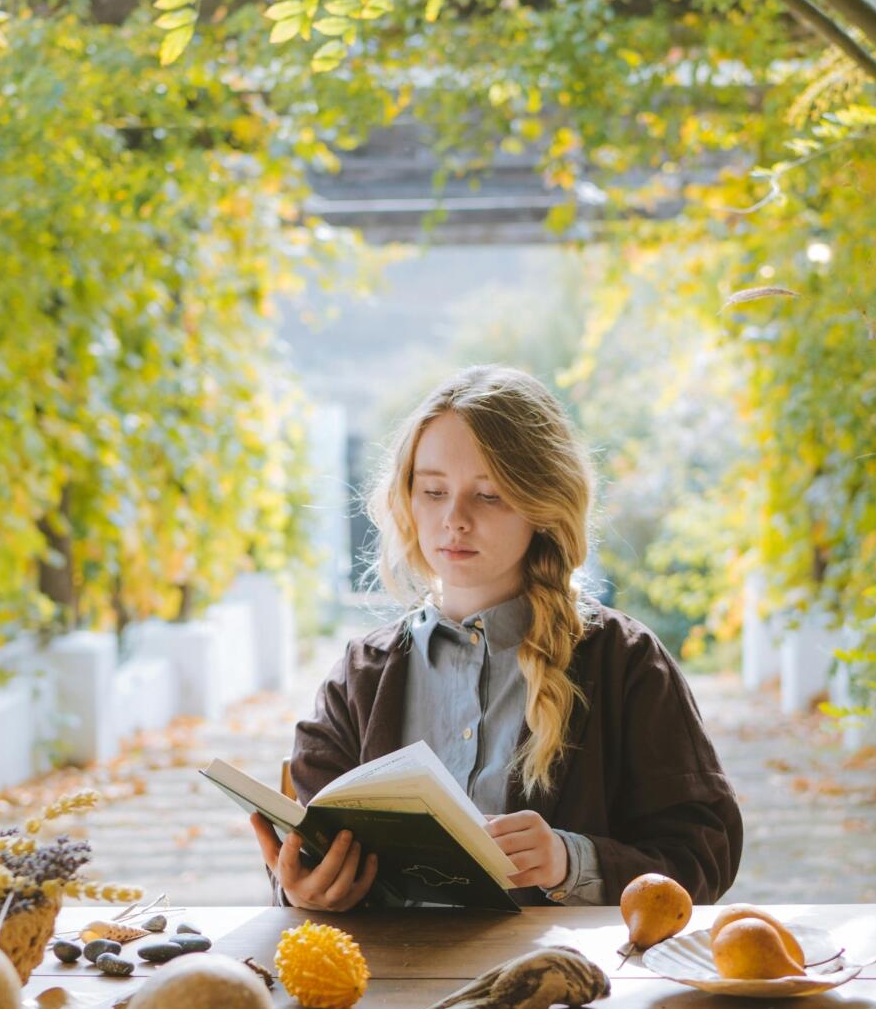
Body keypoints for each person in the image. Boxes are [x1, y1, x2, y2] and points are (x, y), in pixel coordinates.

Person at [251, 365, 742, 911]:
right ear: (406, 499)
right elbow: (303, 860)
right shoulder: (358, 677)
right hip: (385, 989)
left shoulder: (624, 662)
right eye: (433, 490)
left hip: (570, 989)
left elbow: (705, 853)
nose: (453, 520)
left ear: (543, 506)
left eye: (488, 496)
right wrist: (299, 889)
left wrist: (567, 861)